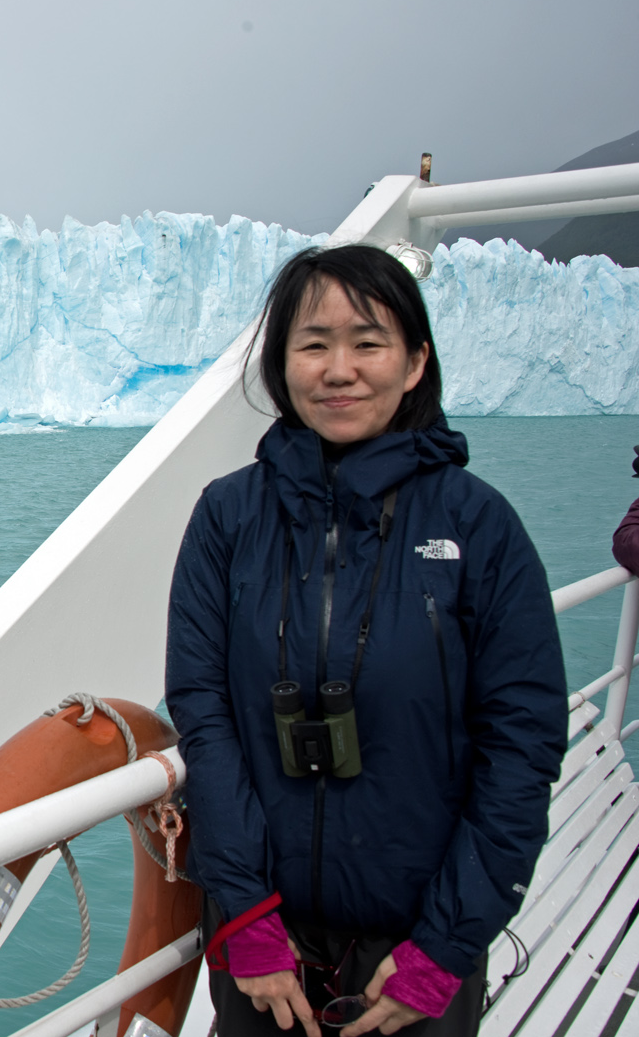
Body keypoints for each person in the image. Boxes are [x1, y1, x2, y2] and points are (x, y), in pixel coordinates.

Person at [164, 244, 567, 1037]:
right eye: (313, 344)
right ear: (282, 365)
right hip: (265, 940)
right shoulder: (228, 517)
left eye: (368, 342)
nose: (339, 370)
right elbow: (204, 716)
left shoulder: (476, 522)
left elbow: (522, 743)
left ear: (414, 363)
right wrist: (243, 916)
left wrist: (445, 947)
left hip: (415, 942)